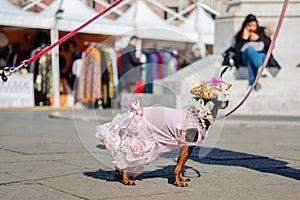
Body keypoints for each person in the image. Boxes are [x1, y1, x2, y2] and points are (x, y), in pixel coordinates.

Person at [234, 14, 281, 90]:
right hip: (245, 58)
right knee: (250, 50)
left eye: (253, 25)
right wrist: (243, 39)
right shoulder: (241, 35)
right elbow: (236, 52)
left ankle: (251, 85)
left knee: (256, 58)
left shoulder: (261, 33)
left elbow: (270, 46)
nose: (251, 28)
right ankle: (261, 68)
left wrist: (259, 38)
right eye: (249, 25)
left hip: (261, 58)